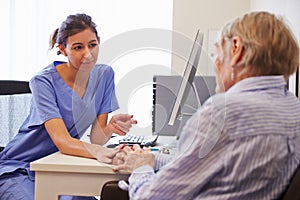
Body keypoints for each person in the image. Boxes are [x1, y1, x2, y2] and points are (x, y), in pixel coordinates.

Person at [112, 11, 300, 199]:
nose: (216, 61)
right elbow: (205, 165)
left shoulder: (224, 113)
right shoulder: (293, 108)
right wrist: (153, 159)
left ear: (236, 49)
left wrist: (140, 168)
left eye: (217, 51)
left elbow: (150, 198)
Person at [0, 13, 137, 200]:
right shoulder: (43, 81)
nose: (88, 54)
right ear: (63, 49)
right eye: (78, 47)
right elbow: (62, 140)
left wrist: (110, 128)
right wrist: (100, 152)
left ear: (99, 41)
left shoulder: (104, 75)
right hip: (21, 167)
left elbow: (97, 139)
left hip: (62, 164)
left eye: (92, 45)